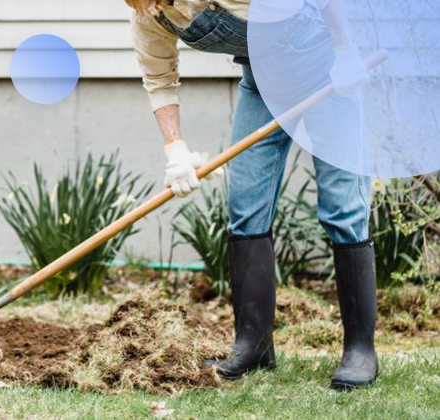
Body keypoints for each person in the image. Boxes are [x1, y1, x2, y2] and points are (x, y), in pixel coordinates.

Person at [123, 0, 378, 390]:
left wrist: (345, 52)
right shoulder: (148, 13)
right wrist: (175, 151)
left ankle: (360, 350)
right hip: (261, 82)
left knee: (342, 207)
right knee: (245, 205)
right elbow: (159, 80)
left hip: (326, 70)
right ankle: (253, 345)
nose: (154, 5)